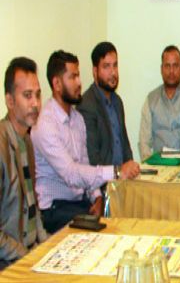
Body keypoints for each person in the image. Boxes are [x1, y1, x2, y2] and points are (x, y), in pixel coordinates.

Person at [32, 51, 140, 233]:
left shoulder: (77, 118)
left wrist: (97, 197)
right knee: (109, 231)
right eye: (72, 77)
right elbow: (71, 173)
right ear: (57, 84)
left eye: (78, 76)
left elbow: (84, 165)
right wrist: (117, 171)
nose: (79, 83)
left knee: (122, 221)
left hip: (80, 202)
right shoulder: (45, 124)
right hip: (55, 208)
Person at [1, 57, 47, 268]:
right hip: (8, 263)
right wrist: (26, 256)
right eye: (27, 96)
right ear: (10, 101)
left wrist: (47, 246)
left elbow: (32, 205)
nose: (35, 103)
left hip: (29, 253)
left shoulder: (27, 141)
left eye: (38, 95)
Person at [77, 41, 134, 167]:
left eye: (115, 65)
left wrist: (130, 165)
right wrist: (118, 173)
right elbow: (93, 158)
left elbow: (125, 145)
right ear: (95, 71)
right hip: (104, 178)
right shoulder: (86, 105)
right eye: (106, 66)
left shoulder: (117, 101)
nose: (113, 72)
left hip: (122, 176)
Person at [138, 45, 180, 159]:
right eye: (167, 66)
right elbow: (144, 142)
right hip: (159, 165)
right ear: (161, 69)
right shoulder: (151, 100)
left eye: (175, 66)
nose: (171, 71)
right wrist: (149, 164)